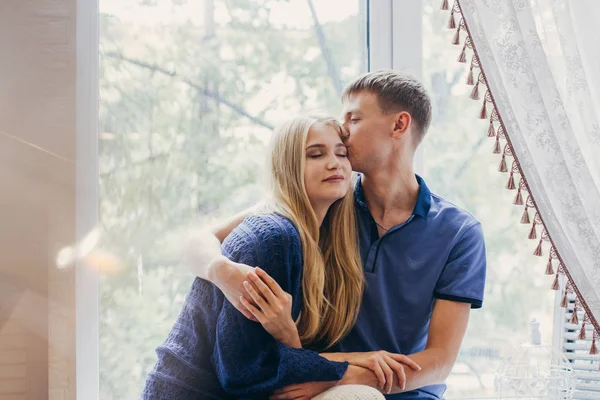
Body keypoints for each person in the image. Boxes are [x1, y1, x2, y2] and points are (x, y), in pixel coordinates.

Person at [190, 70, 487, 399]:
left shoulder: (459, 233)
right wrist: (222, 271)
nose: (343, 129)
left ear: (399, 125)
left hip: (380, 389)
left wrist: (340, 378)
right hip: (314, 381)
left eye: (354, 117)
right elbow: (199, 240)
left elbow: (439, 362)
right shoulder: (324, 200)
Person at [141, 113, 420, 400]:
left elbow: (276, 353)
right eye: (315, 154)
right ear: (288, 167)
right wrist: (350, 369)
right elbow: (244, 373)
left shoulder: (322, 238)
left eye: (341, 153)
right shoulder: (275, 237)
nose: (335, 163)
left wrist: (348, 355)